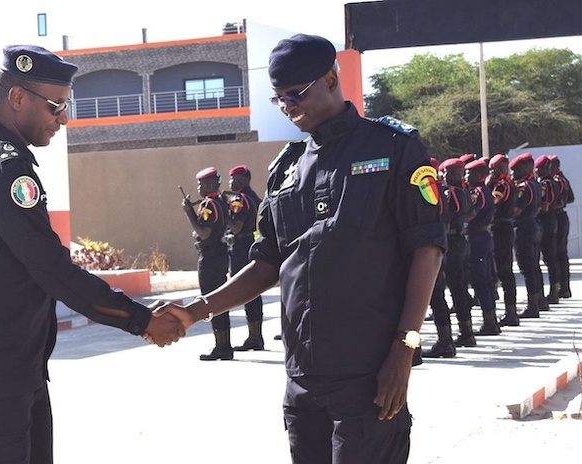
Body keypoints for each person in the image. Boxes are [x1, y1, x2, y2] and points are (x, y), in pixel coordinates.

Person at [155, 34, 445, 463]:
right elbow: (267, 263)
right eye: (279, 99)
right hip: (302, 381)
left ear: (331, 78)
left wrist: (405, 348)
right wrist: (196, 311)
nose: (289, 106)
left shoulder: (392, 147)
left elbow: (428, 248)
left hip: (368, 377)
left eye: (296, 94)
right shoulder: (286, 169)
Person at [0, 45, 185, 464]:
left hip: (7, 364)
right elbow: (53, 271)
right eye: (56, 106)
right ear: (18, 98)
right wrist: (143, 320)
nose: (64, 118)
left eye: (67, 105)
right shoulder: (4, 172)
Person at [424, 158, 473, 357]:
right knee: (457, 289)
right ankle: (465, 332)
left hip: (447, 243)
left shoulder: (441, 192)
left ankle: (445, 341)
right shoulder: (461, 191)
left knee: (438, 295)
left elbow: (443, 223)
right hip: (458, 240)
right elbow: (470, 214)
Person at [182, 167, 232, 360]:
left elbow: (204, 232)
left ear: (210, 184)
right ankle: (224, 345)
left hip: (210, 257)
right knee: (219, 300)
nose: (198, 187)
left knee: (211, 300)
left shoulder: (209, 204)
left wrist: (189, 213)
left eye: (201, 183)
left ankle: (222, 347)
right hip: (219, 254)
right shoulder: (220, 201)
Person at [225, 164, 266, 351]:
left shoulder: (240, 199)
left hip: (241, 247)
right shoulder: (254, 197)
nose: (229, 182)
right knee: (254, 293)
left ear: (240, 179)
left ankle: (254, 337)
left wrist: (224, 210)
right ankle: (256, 336)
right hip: (252, 244)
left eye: (232, 178)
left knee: (246, 291)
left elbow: (236, 227)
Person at [464, 159, 500, 336]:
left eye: (469, 173)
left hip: (477, 238)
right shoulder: (484, 189)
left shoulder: (478, 191)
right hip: (483, 237)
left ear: (478, 175)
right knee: (485, 280)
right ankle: (491, 320)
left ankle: (490, 323)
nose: (466, 177)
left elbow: (471, 215)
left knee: (480, 281)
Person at [486, 154, 519, 326]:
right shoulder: (510, 184)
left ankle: (511, 313)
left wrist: (487, 185)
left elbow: (493, 203)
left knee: (504, 272)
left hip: (500, 229)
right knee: (504, 271)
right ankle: (510, 311)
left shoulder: (501, 185)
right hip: (505, 227)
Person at [510, 153, 543, 318]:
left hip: (524, 228)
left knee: (527, 268)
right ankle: (537, 302)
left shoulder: (524, 186)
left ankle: (533, 306)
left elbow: (517, 210)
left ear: (525, 167)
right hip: (533, 225)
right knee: (534, 267)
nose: (513, 174)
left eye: (515, 170)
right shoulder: (535, 184)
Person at [535, 155, 561, 304]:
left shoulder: (545, 183)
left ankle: (553, 291)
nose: (537, 171)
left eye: (539, 168)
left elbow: (544, 206)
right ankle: (554, 289)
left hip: (545, 222)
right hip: (552, 220)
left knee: (549, 258)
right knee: (551, 258)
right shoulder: (554, 182)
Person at [549, 155, 575, 298]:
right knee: (561, 253)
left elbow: (564, 200)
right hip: (561, 217)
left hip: (557, 217)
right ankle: (564, 287)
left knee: (557, 253)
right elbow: (570, 198)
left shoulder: (557, 181)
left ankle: (561, 287)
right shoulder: (563, 179)